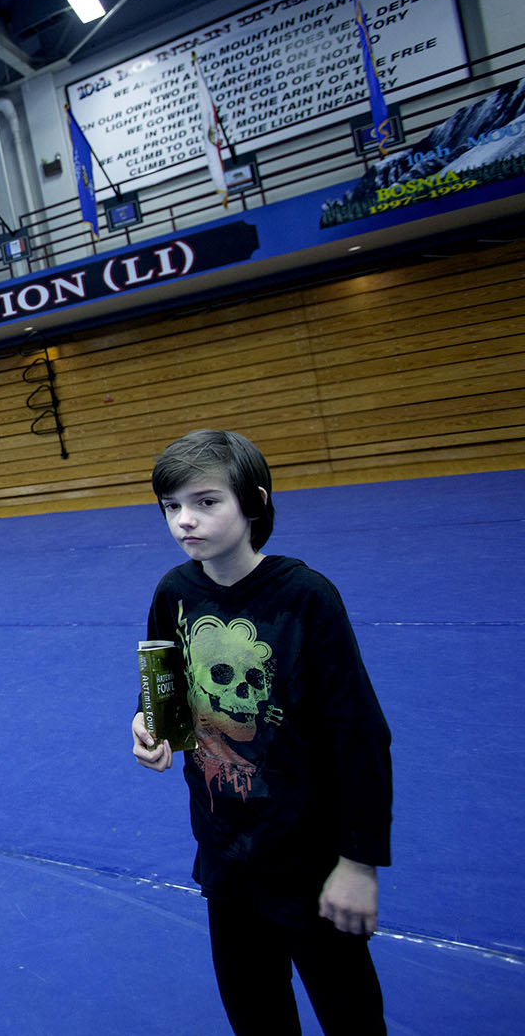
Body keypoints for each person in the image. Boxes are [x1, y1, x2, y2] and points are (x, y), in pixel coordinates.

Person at [130, 429, 392, 1036]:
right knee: (255, 1011)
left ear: (254, 502)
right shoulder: (174, 591)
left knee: (349, 1011)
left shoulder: (305, 597)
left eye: (205, 502)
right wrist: (147, 725)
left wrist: (358, 862)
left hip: (309, 857)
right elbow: (161, 689)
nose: (184, 521)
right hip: (224, 850)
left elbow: (360, 733)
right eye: (171, 507)